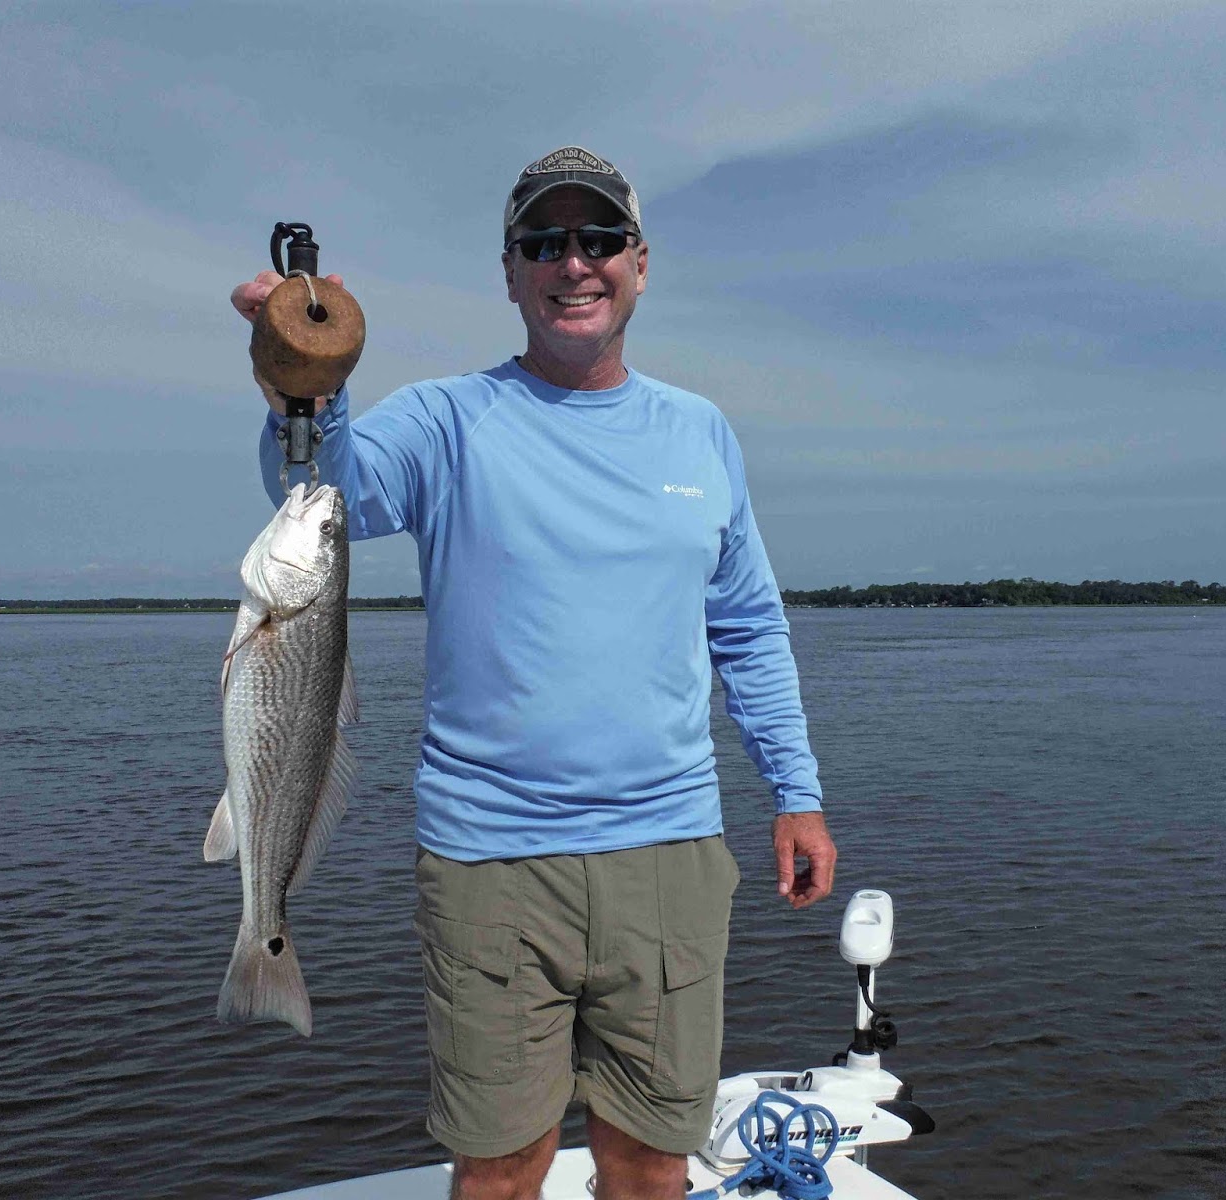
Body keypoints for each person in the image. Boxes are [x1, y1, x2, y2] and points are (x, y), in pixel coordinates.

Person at [230, 146, 836, 1200]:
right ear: (509, 273)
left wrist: (797, 796)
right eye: (542, 242)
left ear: (640, 265)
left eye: (599, 239)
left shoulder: (700, 432)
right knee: (500, 1167)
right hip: (489, 864)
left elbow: (747, 625)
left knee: (651, 1164)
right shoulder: (445, 421)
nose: (574, 263)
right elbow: (323, 495)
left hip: (671, 853)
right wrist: (303, 378)